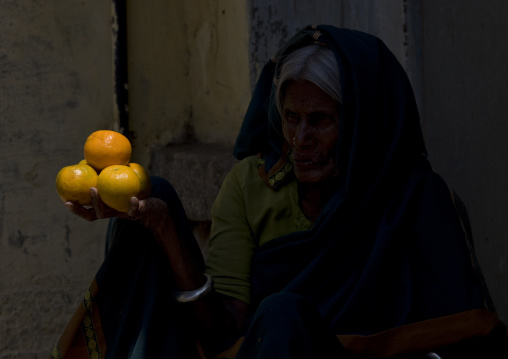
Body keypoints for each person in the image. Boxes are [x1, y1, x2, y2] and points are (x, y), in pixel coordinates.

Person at [51, 25, 507, 358]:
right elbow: (222, 330)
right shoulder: (252, 184)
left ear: (363, 126)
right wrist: (163, 228)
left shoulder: (416, 201)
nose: (299, 139)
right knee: (164, 202)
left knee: (285, 315)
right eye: (291, 118)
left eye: (321, 121)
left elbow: (462, 335)